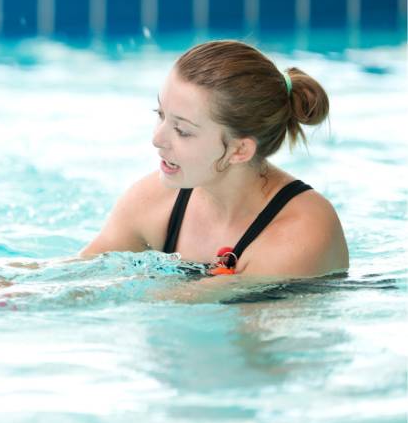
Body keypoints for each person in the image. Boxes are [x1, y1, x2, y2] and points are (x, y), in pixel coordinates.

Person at [82, 40, 348, 283]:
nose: (157, 139)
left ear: (239, 150)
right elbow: (79, 271)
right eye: (160, 114)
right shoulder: (154, 200)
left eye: (182, 130)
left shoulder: (299, 234)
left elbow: (180, 304)